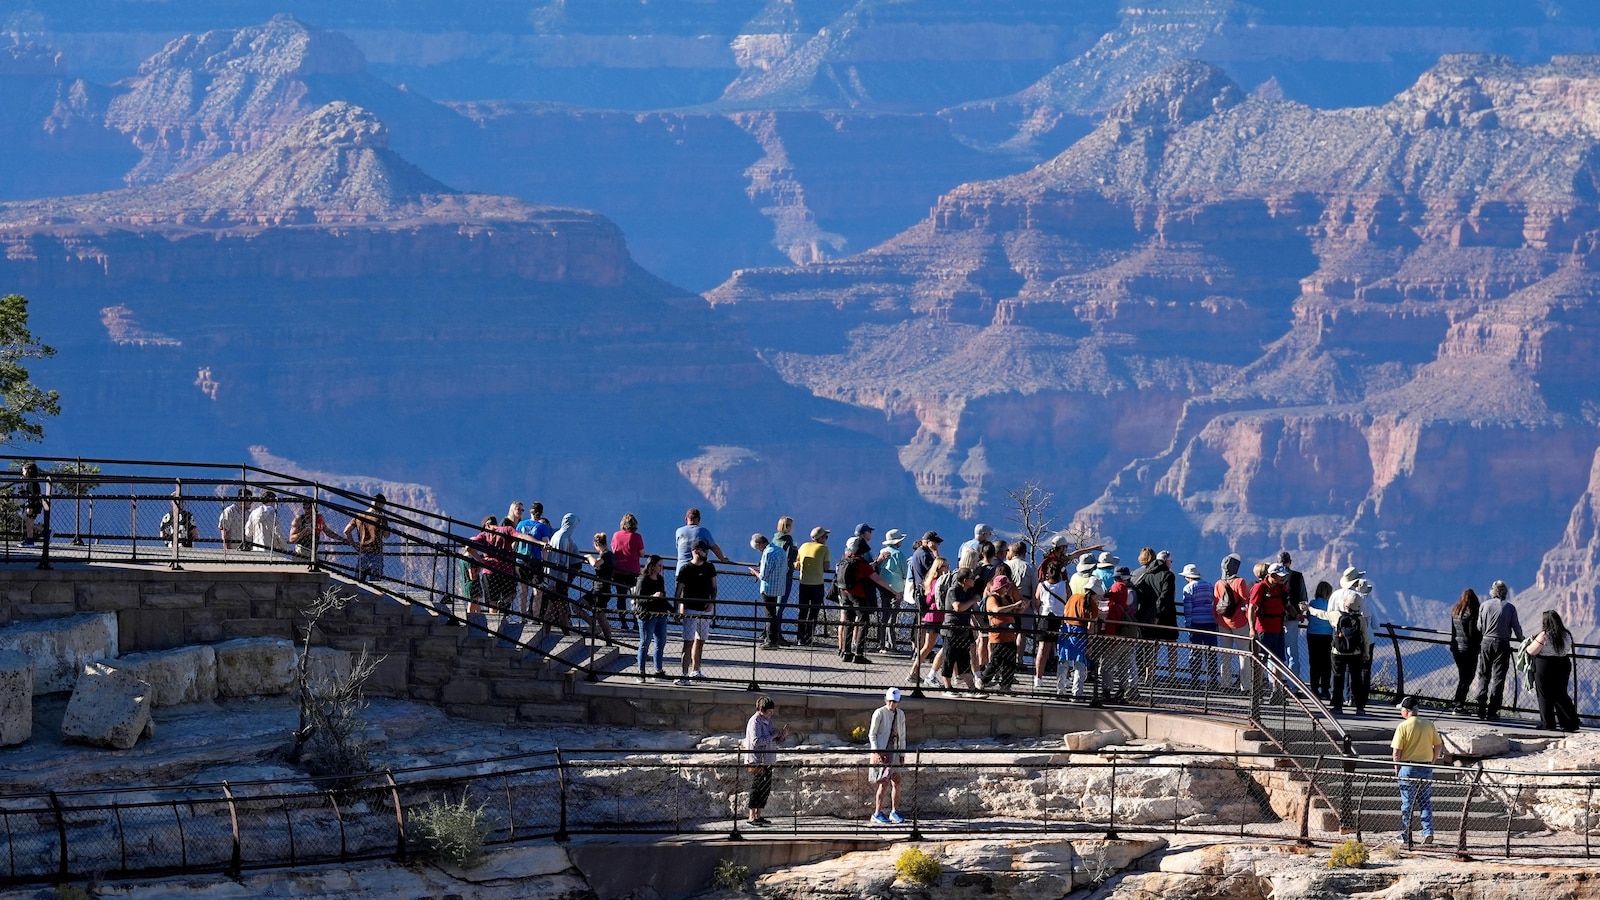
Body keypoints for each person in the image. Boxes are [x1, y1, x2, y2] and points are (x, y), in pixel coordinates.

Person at [1305, 567, 1371, 714]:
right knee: (1356, 679)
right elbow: (1365, 636)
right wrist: (1366, 652)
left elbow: (1321, 613)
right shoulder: (1360, 619)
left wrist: (1308, 609)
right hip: (1356, 651)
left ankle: (1337, 706)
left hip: (1338, 649)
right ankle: (1359, 707)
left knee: (1338, 677)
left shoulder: (1336, 612)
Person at [1391, 695, 1442, 849]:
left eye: (1401, 709)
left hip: (1408, 768)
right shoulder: (1428, 725)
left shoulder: (1403, 726)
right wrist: (1431, 762)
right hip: (1426, 767)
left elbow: (1396, 752)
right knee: (1425, 801)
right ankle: (1427, 832)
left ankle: (1405, 833)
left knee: (1407, 803)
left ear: (1406, 711)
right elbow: (1438, 746)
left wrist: (1397, 769)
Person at [837, 536, 896, 663]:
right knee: (863, 623)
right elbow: (878, 579)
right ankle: (858, 654)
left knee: (848, 622)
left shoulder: (845, 560)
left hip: (844, 594)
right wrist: (893, 592)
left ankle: (846, 653)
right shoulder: (862, 565)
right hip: (858, 596)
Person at [1475, 580, 1522, 721]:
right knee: (1498, 677)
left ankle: (1480, 706)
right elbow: (1516, 627)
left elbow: (1479, 626)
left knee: (1483, 674)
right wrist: (1521, 639)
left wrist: (1486, 633)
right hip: (1502, 644)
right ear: (1505, 592)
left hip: (1486, 642)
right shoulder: (1510, 607)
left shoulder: (1484, 605)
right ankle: (1493, 710)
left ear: (1492, 591)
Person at [976, 564, 1028, 692]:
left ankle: (1006, 686)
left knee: (1010, 663)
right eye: (1006, 587)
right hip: (998, 636)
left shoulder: (1008, 598)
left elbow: (1014, 613)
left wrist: (1021, 608)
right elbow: (996, 610)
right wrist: (1015, 605)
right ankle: (982, 680)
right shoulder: (992, 599)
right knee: (995, 662)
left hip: (1009, 635)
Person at [1526, 609, 1580, 732]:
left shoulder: (1544, 635)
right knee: (1561, 694)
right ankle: (1571, 723)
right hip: (1563, 664)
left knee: (1545, 695)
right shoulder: (1566, 634)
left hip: (1546, 666)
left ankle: (1548, 723)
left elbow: (1531, 651)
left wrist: (1532, 641)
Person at [743, 695, 790, 826]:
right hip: (757, 760)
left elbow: (773, 738)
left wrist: (781, 736)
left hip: (768, 759)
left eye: (772, 712)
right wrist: (773, 735)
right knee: (756, 788)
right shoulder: (755, 721)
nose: (771, 714)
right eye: (769, 712)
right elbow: (756, 741)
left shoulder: (768, 721)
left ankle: (759, 815)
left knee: (765, 789)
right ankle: (752, 816)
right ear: (762, 710)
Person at [675, 541, 718, 683]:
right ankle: (684, 674)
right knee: (688, 642)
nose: (706, 553)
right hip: (690, 609)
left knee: (700, 641)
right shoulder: (686, 568)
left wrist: (711, 603)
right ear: (695, 551)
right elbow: (679, 591)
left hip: (705, 609)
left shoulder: (709, 567)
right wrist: (679, 607)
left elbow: (714, 587)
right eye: (703, 550)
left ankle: (696, 670)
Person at [937, 566, 984, 695]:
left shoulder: (970, 592)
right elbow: (958, 607)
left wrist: (983, 625)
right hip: (951, 630)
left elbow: (975, 610)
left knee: (964, 660)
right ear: (964, 580)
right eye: (971, 578)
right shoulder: (953, 591)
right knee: (949, 659)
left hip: (963, 631)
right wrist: (973, 600)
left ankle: (971, 688)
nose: (974, 580)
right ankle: (947, 687)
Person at [1057, 578, 1103, 699]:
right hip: (1080, 633)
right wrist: (1090, 644)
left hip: (1066, 630)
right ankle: (1076, 693)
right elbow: (1091, 626)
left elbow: (1065, 612)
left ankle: (1060, 690)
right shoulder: (1093, 605)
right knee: (1080, 664)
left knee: (1063, 661)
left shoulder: (1074, 597)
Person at [868, 688, 908, 825]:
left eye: (895, 702)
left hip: (895, 751)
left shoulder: (900, 714)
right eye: (890, 701)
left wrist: (902, 753)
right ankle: (877, 812)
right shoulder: (879, 713)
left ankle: (894, 811)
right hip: (883, 751)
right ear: (886, 700)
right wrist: (876, 751)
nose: (892, 704)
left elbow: (902, 736)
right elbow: (872, 734)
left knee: (897, 781)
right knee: (883, 783)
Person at [906, 555, 948, 687]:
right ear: (940, 568)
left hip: (931, 616)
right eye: (946, 566)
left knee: (929, 646)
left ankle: (914, 673)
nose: (948, 568)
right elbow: (932, 600)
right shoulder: (938, 582)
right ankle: (914, 673)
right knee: (931, 646)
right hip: (935, 617)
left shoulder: (930, 581)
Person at [1214, 553, 1252, 689]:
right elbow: (1246, 602)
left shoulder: (1218, 583)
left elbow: (1216, 604)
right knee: (1244, 655)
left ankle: (1225, 684)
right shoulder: (1240, 582)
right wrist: (1249, 621)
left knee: (1225, 655)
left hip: (1223, 623)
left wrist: (1218, 620)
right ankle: (1246, 686)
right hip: (1239, 623)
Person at [468, 514, 519, 615]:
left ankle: (493, 623)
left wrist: (481, 560)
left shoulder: (484, 536)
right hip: (506, 570)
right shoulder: (504, 532)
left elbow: (469, 548)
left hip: (490, 570)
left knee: (492, 601)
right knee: (507, 597)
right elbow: (516, 541)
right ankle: (502, 618)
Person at [632, 555, 671, 681]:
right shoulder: (642, 579)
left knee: (661, 642)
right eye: (659, 565)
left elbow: (663, 598)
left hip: (660, 615)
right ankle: (641, 671)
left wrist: (672, 610)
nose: (661, 568)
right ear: (652, 566)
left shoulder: (660, 579)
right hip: (647, 615)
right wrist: (652, 597)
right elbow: (639, 600)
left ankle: (658, 671)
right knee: (645, 643)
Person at [1178, 564, 1218, 686]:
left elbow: (1188, 609)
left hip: (1196, 623)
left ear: (1187, 577)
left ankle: (1195, 679)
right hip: (1211, 622)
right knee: (1211, 651)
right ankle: (1213, 679)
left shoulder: (1188, 588)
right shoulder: (1209, 586)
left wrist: (1188, 625)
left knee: (1195, 652)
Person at [1248, 563, 1292, 665]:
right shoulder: (1260, 588)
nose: (1283, 578)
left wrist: (1297, 615)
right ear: (1272, 575)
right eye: (1280, 576)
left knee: (1279, 661)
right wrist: (1252, 629)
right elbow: (1252, 608)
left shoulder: (1282, 588)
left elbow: (1287, 605)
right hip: (1263, 630)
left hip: (1278, 630)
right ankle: (1257, 681)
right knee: (1260, 661)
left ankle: (1276, 681)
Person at [750, 533, 789, 647]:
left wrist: (754, 572)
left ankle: (771, 641)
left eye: (757, 548)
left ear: (759, 544)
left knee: (769, 614)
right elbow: (786, 568)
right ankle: (776, 637)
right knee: (774, 613)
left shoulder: (768, 553)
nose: (758, 551)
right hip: (779, 586)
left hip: (768, 587)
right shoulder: (780, 550)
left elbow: (763, 576)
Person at [794, 527, 832, 646]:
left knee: (802, 612)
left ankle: (800, 638)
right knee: (814, 613)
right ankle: (809, 638)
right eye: (825, 536)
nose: (826, 539)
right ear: (820, 538)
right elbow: (826, 567)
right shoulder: (824, 549)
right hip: (817, 584)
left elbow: (797, 564)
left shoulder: (804, 546)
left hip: (803, 583)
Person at [515, 503, 554, 617]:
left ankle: (523, 616)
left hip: (521, 560)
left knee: (523, 590)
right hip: (535, 560)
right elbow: (545, 546)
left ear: (530, 511)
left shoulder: (521, 524)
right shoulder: (542, 527)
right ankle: (535, 616)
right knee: (538, 590)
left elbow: (515, 542)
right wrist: (545, 562)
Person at [1034, 561, 1069, 688]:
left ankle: (1038, 677)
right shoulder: (1065, 585)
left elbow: (1037, 603)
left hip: (1045, 618)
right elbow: (1068, 600)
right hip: (1060, 618)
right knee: (1062, 650)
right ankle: (1064, 677)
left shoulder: (1041, 585)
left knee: (1042, 649)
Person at [1448, 588, 1482, 715]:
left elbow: (1454, 632)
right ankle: (1459, 705)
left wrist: (1453, 645)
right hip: (1469, 650)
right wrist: (1480, 639)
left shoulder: (1456, 611)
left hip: (1457, 649)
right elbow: (1472, 633)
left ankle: (1457, 703)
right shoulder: (1471, 612)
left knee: (1463, 676)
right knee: (1468, 677)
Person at [874, 529, 909, 652]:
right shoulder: (899, 555)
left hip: (883, 587)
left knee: (884, 615)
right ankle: (892, 644)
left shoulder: (882, 552)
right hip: (897, 589)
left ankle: (882, 643)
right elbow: (905, 572)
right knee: (892, 617)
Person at [343, 493, 390, 583]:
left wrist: (353, 545)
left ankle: (356, 596)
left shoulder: (359, 515)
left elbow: (346, 531)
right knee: (376, 584)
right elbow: (386, 535)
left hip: (363, 552)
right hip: (376, 552)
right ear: (381, 504)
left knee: (358, 582)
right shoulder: (381, 518)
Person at [1277, 552, 1309, 680]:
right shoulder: (1297, 576)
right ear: (1290, 562)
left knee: (1275, 652)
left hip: (1274, 618)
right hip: (1292, 618)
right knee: (1292, 652)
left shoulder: (1272, 577)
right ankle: (1293, 685)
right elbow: (1303, 597)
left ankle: (1275, 683)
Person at [580, 532, 615, 642]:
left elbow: (595, 563)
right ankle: (597, 628)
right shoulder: (609, 555)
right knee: (598, 614)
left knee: (600, 616)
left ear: (596, 544)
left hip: (601, 590)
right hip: (599, 589)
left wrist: (589, 557)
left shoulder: (606, 555)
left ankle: (606, 638)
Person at [611, 513, 645, 623]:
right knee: (635, 598)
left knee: (621, 597)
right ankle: (636, 622)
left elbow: (613, 549)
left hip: (618, 571)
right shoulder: (637, 537)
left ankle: (623, 622)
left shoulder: (616, 535)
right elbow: (642, 553)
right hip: (633, 572)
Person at [675, 508, 729, 573]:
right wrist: (722, 558)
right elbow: (714, 547)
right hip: (697, 572)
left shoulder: (679, 531)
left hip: (681, 570)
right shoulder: (703, 532)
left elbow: (678, 546)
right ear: (699, 519)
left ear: (686, 518)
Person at [1305, 581, 1335, 701]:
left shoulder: (1312, 603)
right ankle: (1325, 689)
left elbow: (1309, 616)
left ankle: (1314, 688)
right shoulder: (1330, 605)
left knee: (1314, 662)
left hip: (1312, 634)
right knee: (1326, 663)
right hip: (1327, 635)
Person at [17, 461, 42, 546]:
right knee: (29, 521)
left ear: (28, 472)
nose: (22, 473)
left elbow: (32, 496)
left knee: (29, 522)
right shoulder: (31, 482)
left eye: (23, 471)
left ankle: (30, 540)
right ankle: (30, 538)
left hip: (32, 506)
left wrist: (30, 506)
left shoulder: (32, 483)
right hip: (34, 505)